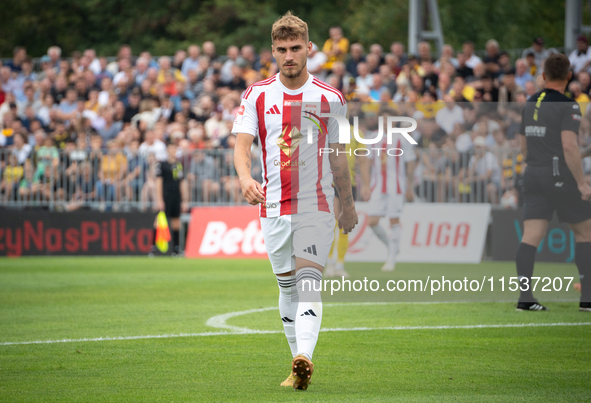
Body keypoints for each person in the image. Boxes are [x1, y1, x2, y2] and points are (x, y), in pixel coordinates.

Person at [232, 12, 357, 390]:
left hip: (314, 205)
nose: (289, 56)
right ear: (273, 51)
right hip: (271, 207)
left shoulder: (330, 98)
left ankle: (305, 356)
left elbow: (338, 157)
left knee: (307, 282)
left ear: (309, 49)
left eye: (296, 48)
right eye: (282, 49)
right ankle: (296, 366)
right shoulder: (256, 94)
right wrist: (244, 177)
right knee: (286, 287)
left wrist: (347, 204)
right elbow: (241, 146)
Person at [516, 53, 591, 312]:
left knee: (530, 237)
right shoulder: (569, 106)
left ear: (544, 76)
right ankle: (587, 299)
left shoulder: (529, 103)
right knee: (585, 233)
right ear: (569, 77)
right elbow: (569, 146)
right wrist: (582, 183)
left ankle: (525, 299)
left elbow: (523, 147)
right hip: (559, 174)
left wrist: (536, 161)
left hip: (533, 173)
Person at [360, 111, 416, 272]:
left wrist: (409, 186)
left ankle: (391, 259)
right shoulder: (372, 137)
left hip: (396, 186)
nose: (385, 122)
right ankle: (392, 247)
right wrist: (365, 184)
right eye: (383, 119)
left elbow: (410, 162)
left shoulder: (402, 138)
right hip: (377, 185)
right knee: (372, 221)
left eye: (388, 120)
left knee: (394, 221)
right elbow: (368, 161)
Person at [154, 141, 189, 255]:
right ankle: (153, 247)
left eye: (175, 149)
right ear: (167, 150)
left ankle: (176, 248)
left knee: (176, 221)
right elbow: (158, 182)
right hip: (165, 195)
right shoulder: (162, 165)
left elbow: (182, 182)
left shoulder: (179, 165)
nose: (173, 151)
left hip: (176, 196)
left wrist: (184, 200)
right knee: (159, 221)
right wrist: (159, 199)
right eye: (171, 149)